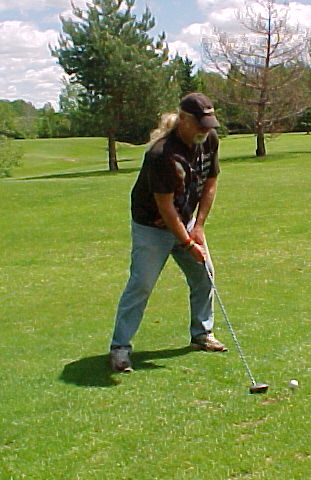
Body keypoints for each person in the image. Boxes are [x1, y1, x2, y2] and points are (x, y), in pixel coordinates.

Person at [109, 93, 227, 373]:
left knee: (204, 276)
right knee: (142, 284)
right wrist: (188, 244)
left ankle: (201, 334)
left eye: (209, 124)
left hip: (185, 218)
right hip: (152, 225)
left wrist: (198, 226)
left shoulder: (209, 139)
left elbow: (211, 182)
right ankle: (120, 348)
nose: (205, 130)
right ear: (183, 119)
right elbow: (165, 207)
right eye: (200, 124)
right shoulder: (161, 154)